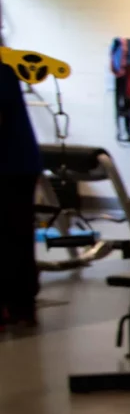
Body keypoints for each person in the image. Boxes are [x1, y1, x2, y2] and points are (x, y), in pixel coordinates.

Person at [0, 48, 42, 330]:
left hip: (12, 167)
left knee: (13, 236)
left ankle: (18, 307)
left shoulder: (2, 73)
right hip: (16, 164)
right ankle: (19, 307)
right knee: (16, 237)